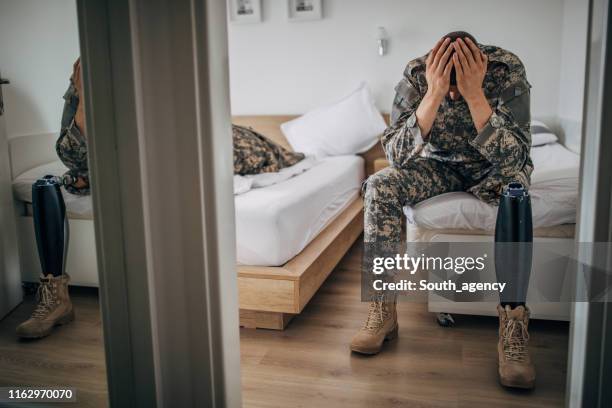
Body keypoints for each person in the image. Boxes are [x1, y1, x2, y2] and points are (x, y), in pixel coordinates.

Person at [350, 32, 536, 389]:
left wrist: (474, 94)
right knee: (379, 185)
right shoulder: (417, 75)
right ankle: (382, 309)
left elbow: (515, 157)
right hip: (441, 167)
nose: (454, 96)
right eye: (447, 88)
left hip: (494, 168)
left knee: (517, 190)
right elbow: (395, 154)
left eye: (457, 88)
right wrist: (433, 93)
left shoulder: (507, 69)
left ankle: (513, 325)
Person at [16, 58, 87, 339]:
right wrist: (83, 99)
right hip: (91, 169)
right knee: (44, 185)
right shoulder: (79, 84)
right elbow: (68, 153)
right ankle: (56, 298)